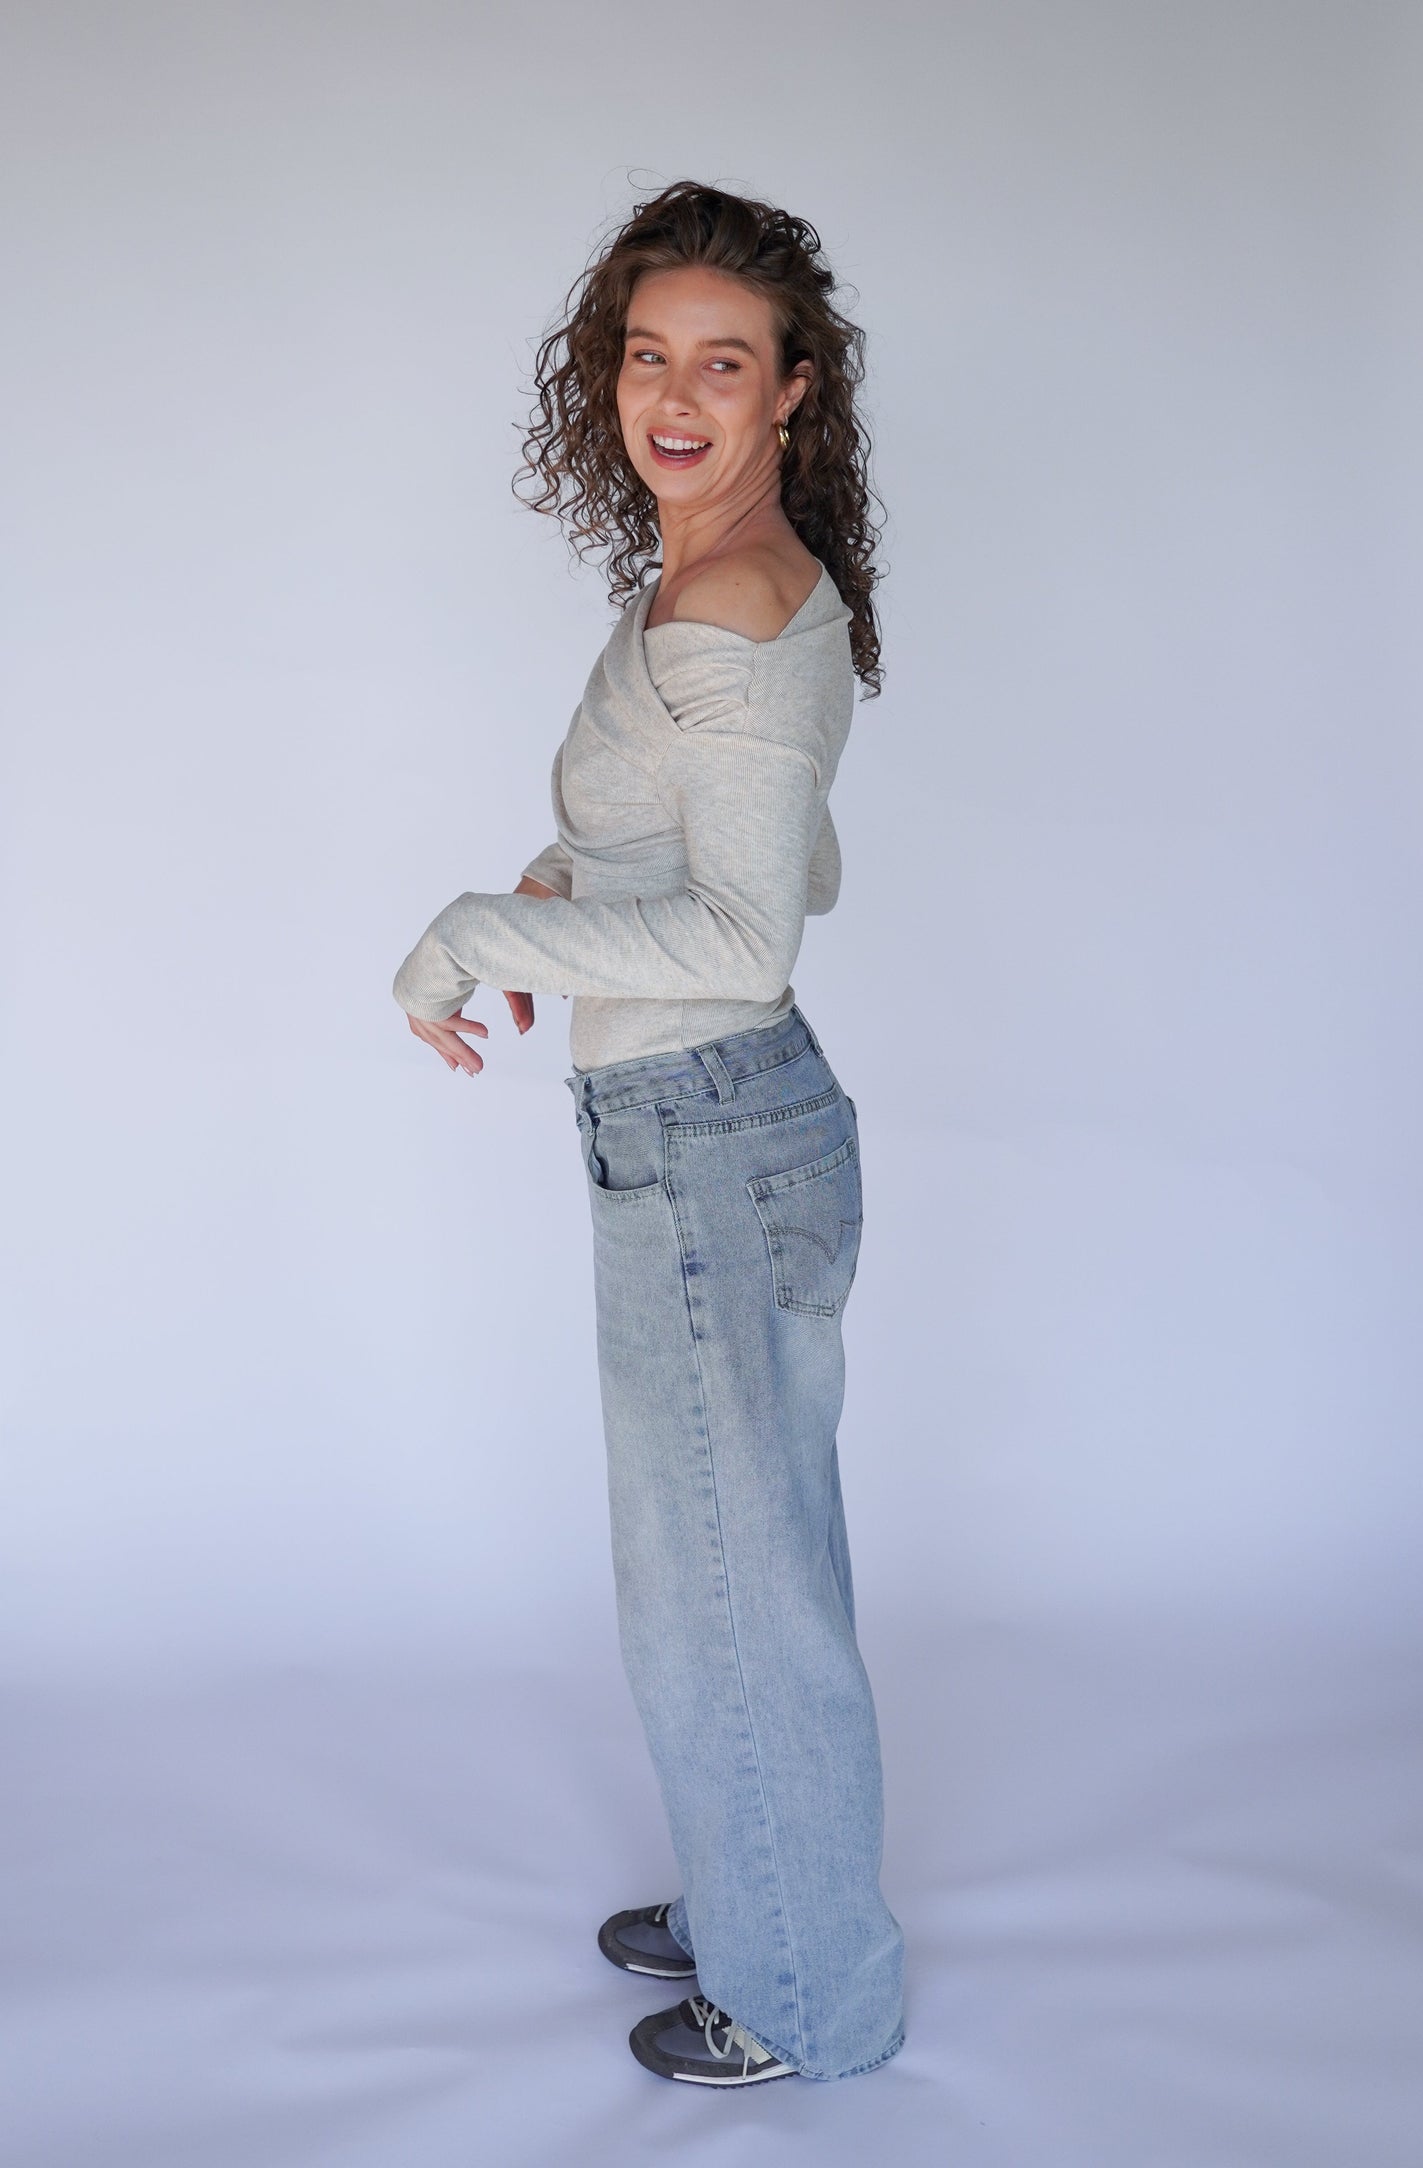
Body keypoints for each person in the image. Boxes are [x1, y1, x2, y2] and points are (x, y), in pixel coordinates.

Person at [391, 180, 905, 2086]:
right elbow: (748, 847)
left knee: (729, 1590)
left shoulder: (736, 598)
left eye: (723, 362)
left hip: (706, 1130)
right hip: (692, 1126)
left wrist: (480, 927)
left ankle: (806, 1998)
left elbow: (752, 933)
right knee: (714, 1574)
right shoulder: (721, 575)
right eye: (645, 352)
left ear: (790, 394)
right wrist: (569, 878)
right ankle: (760, 1876)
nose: (673, 393)